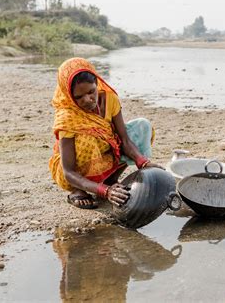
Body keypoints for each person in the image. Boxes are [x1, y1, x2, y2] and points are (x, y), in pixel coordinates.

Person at [49, 57, 162, 209]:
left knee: (142, 127)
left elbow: (125, 140)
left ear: (97, 83)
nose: (88, 100)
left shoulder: (110, 99)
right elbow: (68, 172)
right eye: (79, 97)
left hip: (105, 152)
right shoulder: (67, 117)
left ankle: (109, 180)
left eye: (91, 92)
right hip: (72, 173)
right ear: (69, 95)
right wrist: (105, 192)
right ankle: (80, 190)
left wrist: (143, 163)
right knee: (86, 139)